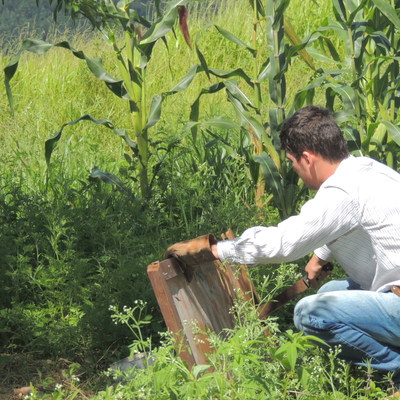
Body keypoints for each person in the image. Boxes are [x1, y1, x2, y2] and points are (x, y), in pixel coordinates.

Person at [208, 105, 400, 393]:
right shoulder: (366, 169)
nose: (295, 171)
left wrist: (218, 251)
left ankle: (395, 369)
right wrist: (321, 255)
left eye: (292, 162)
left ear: (307, 158)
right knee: (328, 292)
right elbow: (351, 220)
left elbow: (283, 243)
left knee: (310, 313)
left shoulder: (342, 191)